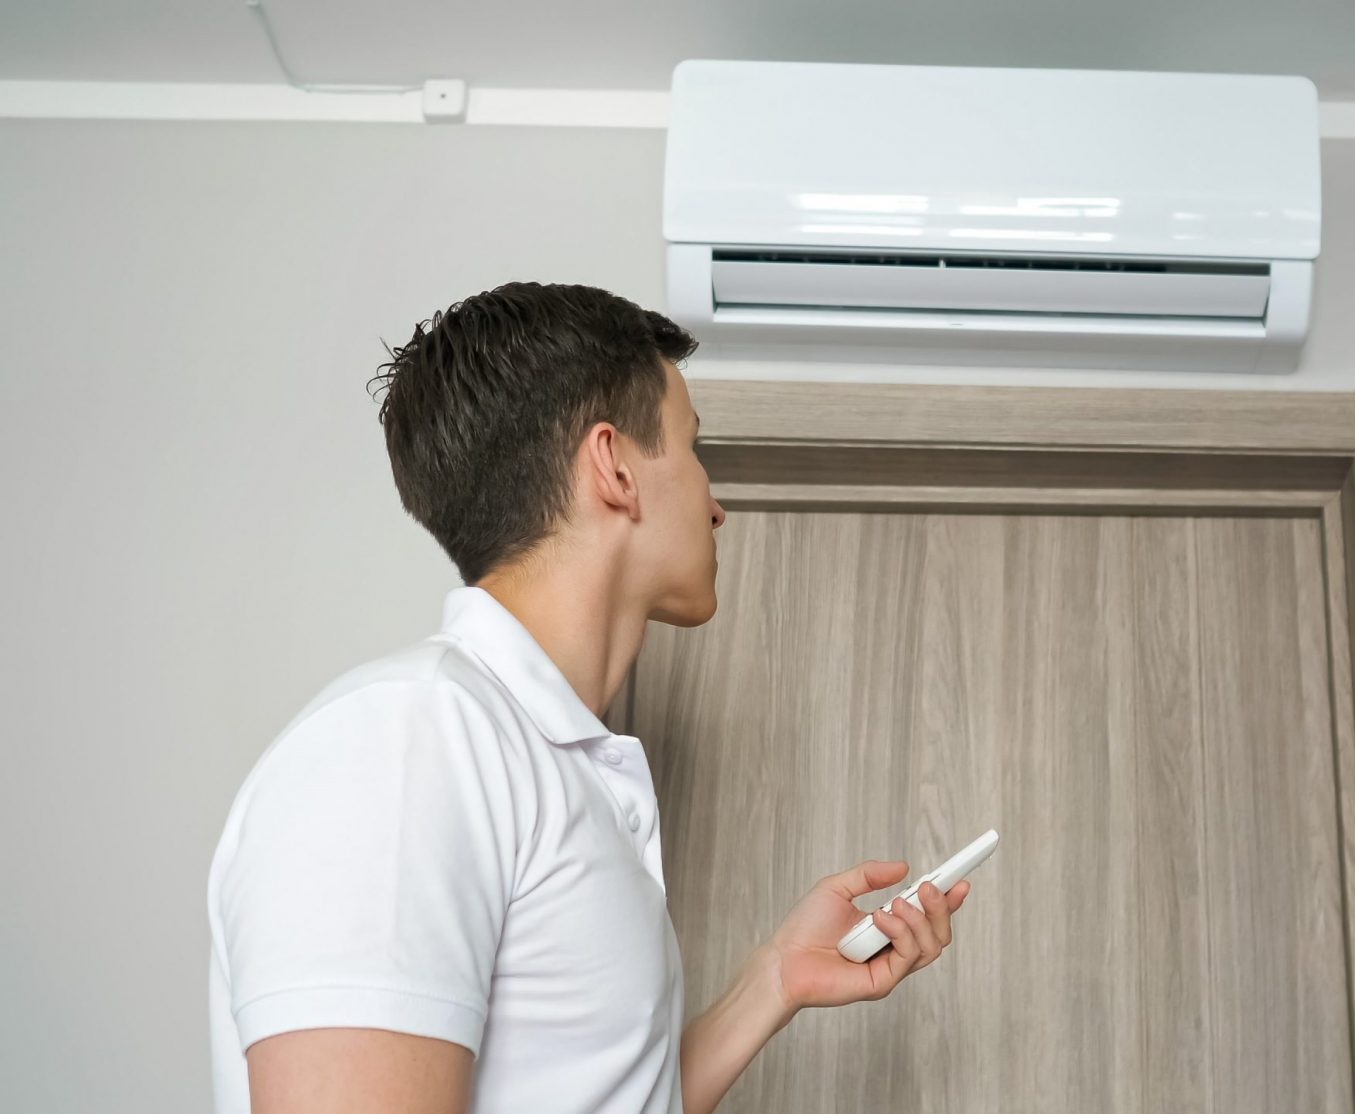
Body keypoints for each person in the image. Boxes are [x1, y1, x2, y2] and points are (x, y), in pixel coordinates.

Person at [205, 282, 969, 1114]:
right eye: (691, 448)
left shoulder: (546, 763)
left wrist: (774, 981)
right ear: (614, 466)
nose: (716, 506)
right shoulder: (407, 745)